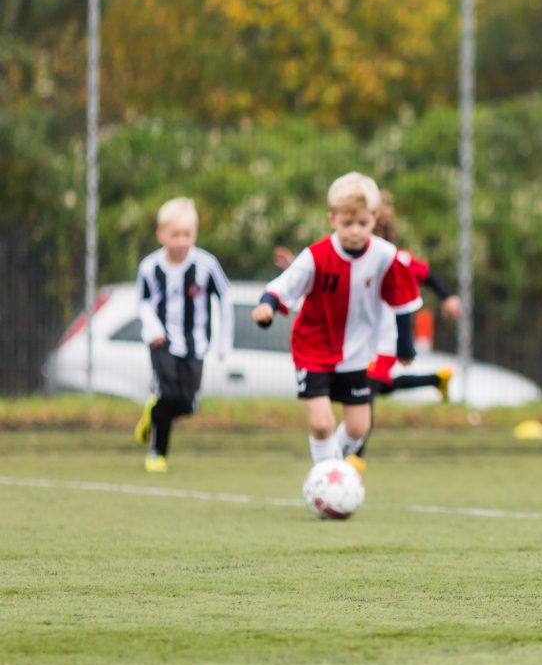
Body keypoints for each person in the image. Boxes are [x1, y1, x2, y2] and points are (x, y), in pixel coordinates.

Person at [252, 172, 422, 476]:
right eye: (347, 224)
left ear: (374, 218)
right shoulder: (316, 256)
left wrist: (405, 345)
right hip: (313, 349)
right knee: (322, 424)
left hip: (357, 353)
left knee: (358, 428)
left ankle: (330, 472)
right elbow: (283, 286)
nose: (355, 231)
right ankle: (327, 479)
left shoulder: (385, 256)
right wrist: (267, 305)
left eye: (362, 224)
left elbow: (404, 300)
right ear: (332, 218)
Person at [274, 190, 460, 405]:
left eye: (364, 225)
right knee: (374, 387)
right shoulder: (347, 259)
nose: (356, 234)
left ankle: (348, 438)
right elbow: (327, 274)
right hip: (359, 339)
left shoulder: (396, 260)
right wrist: (296, 267)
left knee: (372, 386)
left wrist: (448, 297)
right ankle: (436, 379)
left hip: (385, 341)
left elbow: (428, 276)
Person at [133, 197, 234, 473]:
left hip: (195, 345)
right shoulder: (150, 267)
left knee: (187, 404)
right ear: (161, 235)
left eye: (187, 235)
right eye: (174, 234)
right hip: (162, 342)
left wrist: (225, 341)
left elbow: (225, 298)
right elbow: (142, 302)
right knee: (168, 393)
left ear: (195, 234)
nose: (181, 241)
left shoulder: (206, 265)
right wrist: (152, 327)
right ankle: (157, 454)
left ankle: (151, 413)